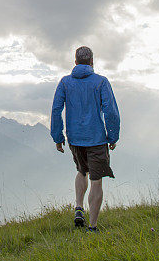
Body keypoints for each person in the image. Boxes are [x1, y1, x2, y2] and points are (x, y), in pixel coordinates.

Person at [51, 46, 120, 233]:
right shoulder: (101, 82)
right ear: (92, 62)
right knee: (96, 180)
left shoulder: (65, 83)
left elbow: (56, 110)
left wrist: (58, 137)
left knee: (82, 171)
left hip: (74, 139)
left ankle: (78, 206)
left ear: (75, 62)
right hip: (96, 139)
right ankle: (92, 227)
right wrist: (113, 135)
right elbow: (110, 111)